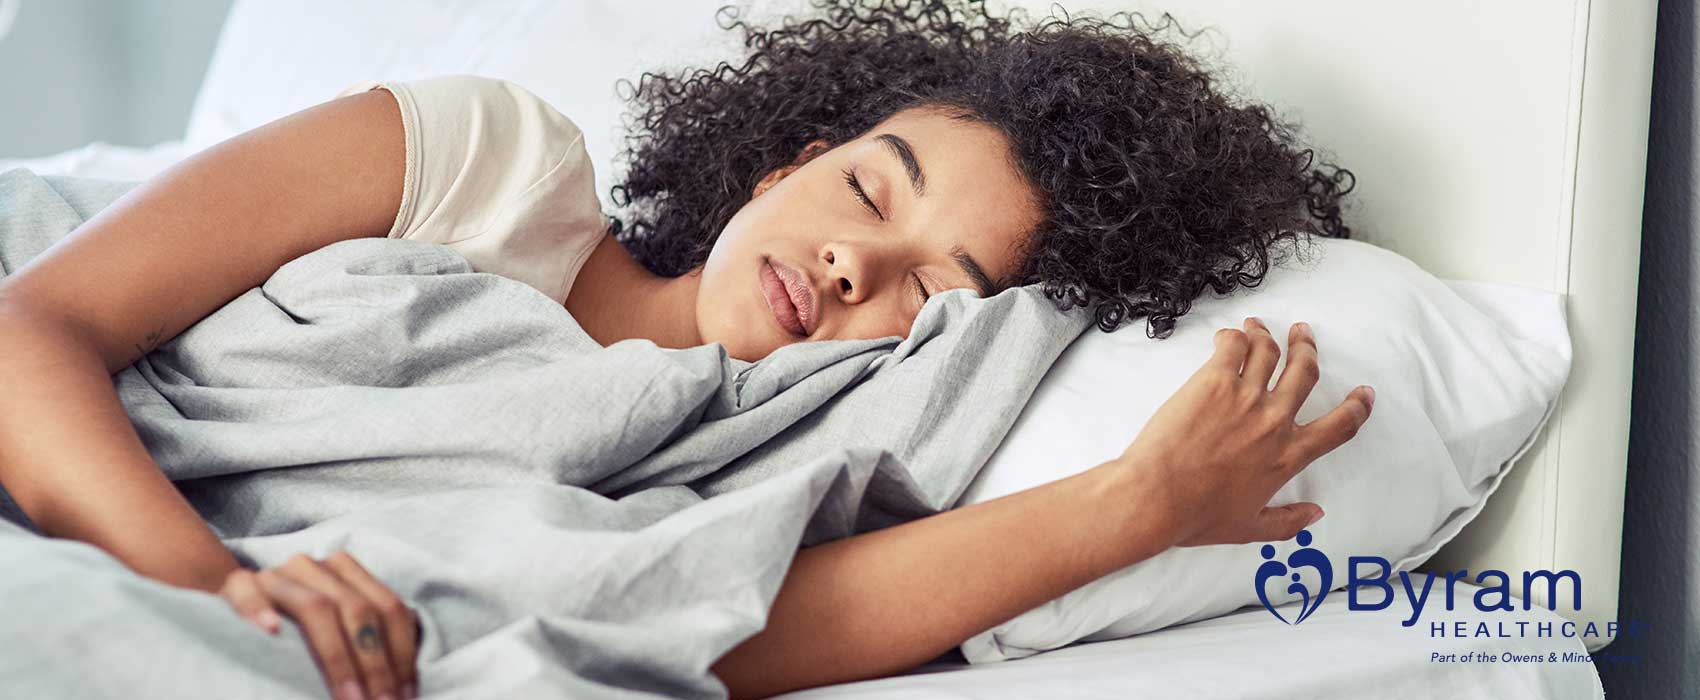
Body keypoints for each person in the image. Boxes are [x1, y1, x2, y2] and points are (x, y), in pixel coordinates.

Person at [0, 1, 1374, 699]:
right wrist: (217, 588)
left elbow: (724, 618)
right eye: (870, 192)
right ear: (789, 158)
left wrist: (1134, 507)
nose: (853, 263)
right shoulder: (491, 161)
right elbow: (36, 321)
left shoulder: (761, 449)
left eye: (926, 286)